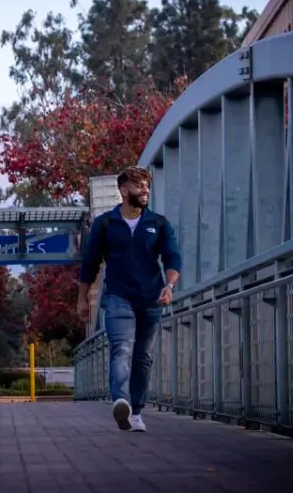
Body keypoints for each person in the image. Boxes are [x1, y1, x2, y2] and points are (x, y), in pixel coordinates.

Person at [77, 166, 181, 433]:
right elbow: (89, 263)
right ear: (124, 191)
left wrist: (169, 285)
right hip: (117, 296)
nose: (145, 190)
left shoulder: (158, 223)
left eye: (147, 185)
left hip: (151, 299)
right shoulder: (105, 223)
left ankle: (135, 411)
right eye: (139, 186)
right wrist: (82, 298)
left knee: (143, 356)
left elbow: (172, 258)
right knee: (121, 348)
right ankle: (120, 400)